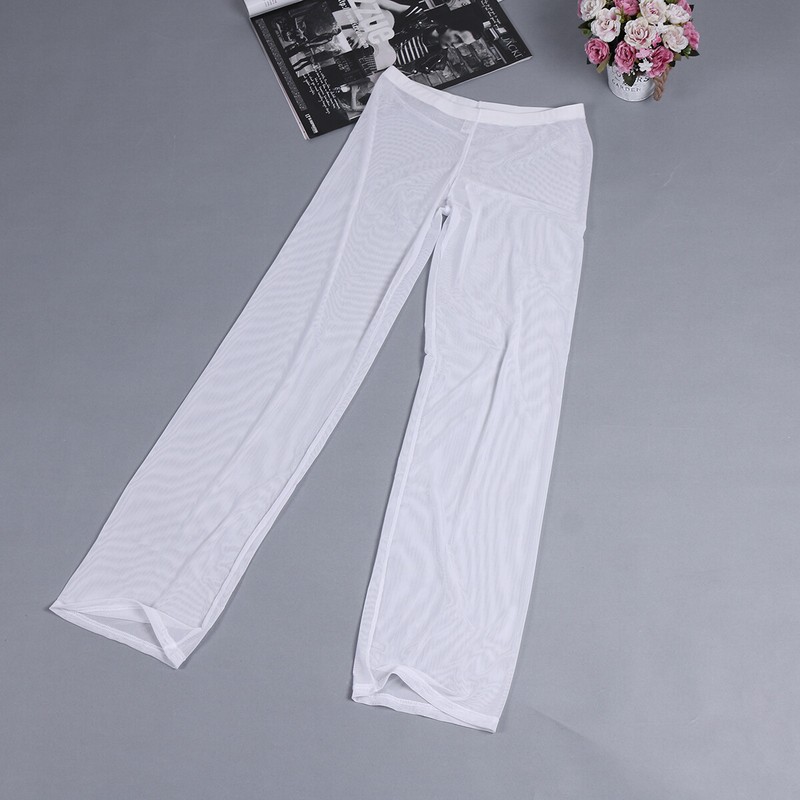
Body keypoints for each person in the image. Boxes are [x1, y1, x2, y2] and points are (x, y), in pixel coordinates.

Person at [376, 0, 486, 74]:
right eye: (458, 38)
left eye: (462, 44)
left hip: (371, 67)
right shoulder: (420, 18)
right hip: (369, 40)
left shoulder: (436, 62)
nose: (455, 45)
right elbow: (381, 2)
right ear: (449, 26)